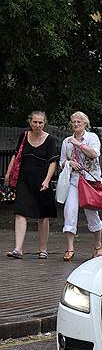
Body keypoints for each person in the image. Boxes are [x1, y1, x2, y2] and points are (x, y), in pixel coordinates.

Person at [4, 111, 58, 259]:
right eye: (35, 122)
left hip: (42, 182)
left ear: (44, 123)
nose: (37, 125)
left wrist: (47, 180)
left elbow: (53, 162)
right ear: (30, 122)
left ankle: (43, 249)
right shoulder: (23, 136)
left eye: (40, 122)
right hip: (24, 180)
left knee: (43, 215)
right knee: (20, 212)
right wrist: (8, 174)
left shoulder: (49, 140)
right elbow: (16, 156)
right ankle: (18, 248)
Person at [60, 111, 102, 261]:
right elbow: (62, 162)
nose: (76, 124)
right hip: (74, 180)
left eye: (79, 121)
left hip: (90, 181)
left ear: (85, 123)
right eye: (74, 122)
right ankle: (70, 248)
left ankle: (98, 245)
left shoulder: (92, 137)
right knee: (69, 211)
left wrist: (78, 144)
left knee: (92, 214)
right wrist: (69, 163)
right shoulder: (66, 141)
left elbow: (94, 154)